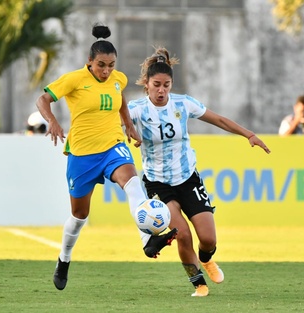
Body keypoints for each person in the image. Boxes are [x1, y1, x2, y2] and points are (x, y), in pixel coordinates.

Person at [35, 25, 178, 291]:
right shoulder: (74, 79)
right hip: (82, 154)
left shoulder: (118, 79)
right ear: (89, 62)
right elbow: (43, 100)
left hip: (113, 145)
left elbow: (119, 98)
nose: (106, 70)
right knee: (79, 216)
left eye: (111, 65)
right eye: (101, 65)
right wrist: (52, 121)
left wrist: (129, 125)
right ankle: (64, 259)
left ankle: (147, 241)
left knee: (134, 184)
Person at [127, 47, 271, 297]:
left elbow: (219, 120)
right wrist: (124, 131)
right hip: (158, 184)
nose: (161, 90)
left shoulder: (183, 103)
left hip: (187, 178)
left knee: (208, 239)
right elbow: (112, 126)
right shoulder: (136, 109)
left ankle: (206, 259)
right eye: (156, 85)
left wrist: (249, 134)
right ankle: (199, 284)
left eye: (166, 85)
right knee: (182, 234)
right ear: (146, 84)